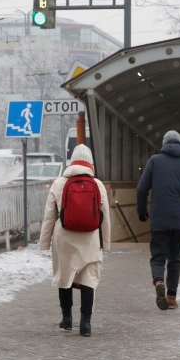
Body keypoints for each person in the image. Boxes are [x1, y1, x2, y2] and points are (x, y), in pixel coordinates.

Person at [39, 144, 110, 337]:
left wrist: (44, 243)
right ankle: (85, 322)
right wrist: (106, 243)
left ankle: (67, 319)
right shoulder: (98, 185)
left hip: (64, 237)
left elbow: (49, 217)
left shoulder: (58, 183)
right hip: (91, 237)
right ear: (90, 162)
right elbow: (105, 217)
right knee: (88, 279)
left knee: (65, 276)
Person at [136, 130, 180, 311]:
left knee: (158, 257)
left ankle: (158, 281)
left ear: (165, 144)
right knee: (175, 259)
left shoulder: (154, 161)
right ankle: (172, 298)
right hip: (179, 220)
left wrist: (141, 211)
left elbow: (141, 189)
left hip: (159, 219)